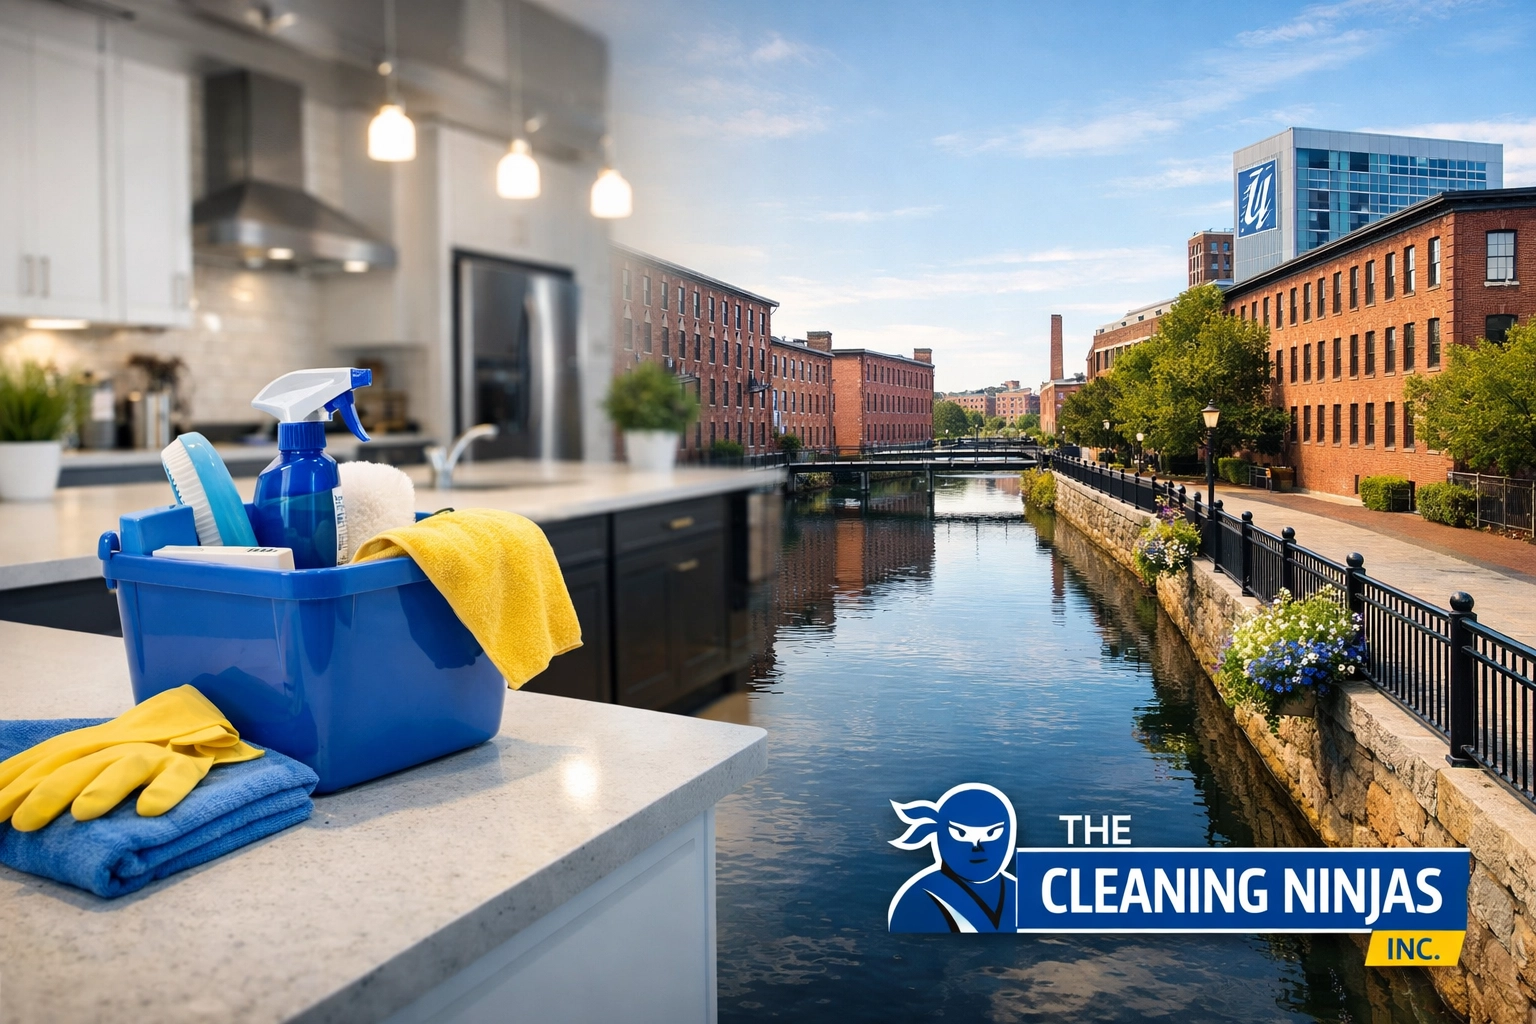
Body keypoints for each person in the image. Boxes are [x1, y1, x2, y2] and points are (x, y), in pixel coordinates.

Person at [887, 782, 1018, 933]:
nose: (977, 847)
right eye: (961, 834)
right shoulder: (915, 900)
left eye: (991, 834)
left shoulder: (1018, 892)